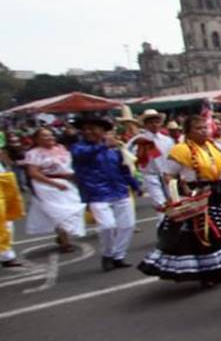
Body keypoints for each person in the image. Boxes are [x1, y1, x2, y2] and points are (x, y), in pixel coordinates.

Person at [138, 115, 221, 285]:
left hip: (217, 194)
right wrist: (184, 192)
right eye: (198, 128)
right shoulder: (181, 150)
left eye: (205, 127)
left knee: (220, 232)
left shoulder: (215, 146)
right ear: (188, 132)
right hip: (197, 197)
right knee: (204, 235)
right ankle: (208, 274)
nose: (204, 131)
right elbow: (169, 176)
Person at [71, 116, 141, 271]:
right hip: (97, 193)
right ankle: (108, 255)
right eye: (85, 129)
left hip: (120, 191)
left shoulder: (114, 151)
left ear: (102, 131)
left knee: (128, 226)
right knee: (107, 226)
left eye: (92, 128)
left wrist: (135, 185)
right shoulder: (78, 148)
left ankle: (118, 256)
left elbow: (124, 170)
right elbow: (83, 155)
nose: (88, 132)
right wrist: (104, 146)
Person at [21, 127, 86, 253]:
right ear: (36, 139)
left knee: (74, 208)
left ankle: (63, 236)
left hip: (66, 182)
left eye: (51, 135)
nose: (50, 138)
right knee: (60, 212)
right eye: (45, 136)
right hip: (46, 185)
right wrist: (54, 183)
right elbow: (33, 173)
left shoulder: (61, 149)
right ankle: (65, 241)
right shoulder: (33, 153)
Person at [126, 109, 175, 223]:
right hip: (150, 175)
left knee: (173, 202)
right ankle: (163, 228)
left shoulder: (167, 140)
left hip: (166, 175)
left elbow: (173, 158)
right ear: (146, 124)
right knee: (160, 205)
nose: (154, 124)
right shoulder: (138, 140)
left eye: (156, 122)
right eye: (151, 122)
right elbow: (129, 156)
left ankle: (173, 229)